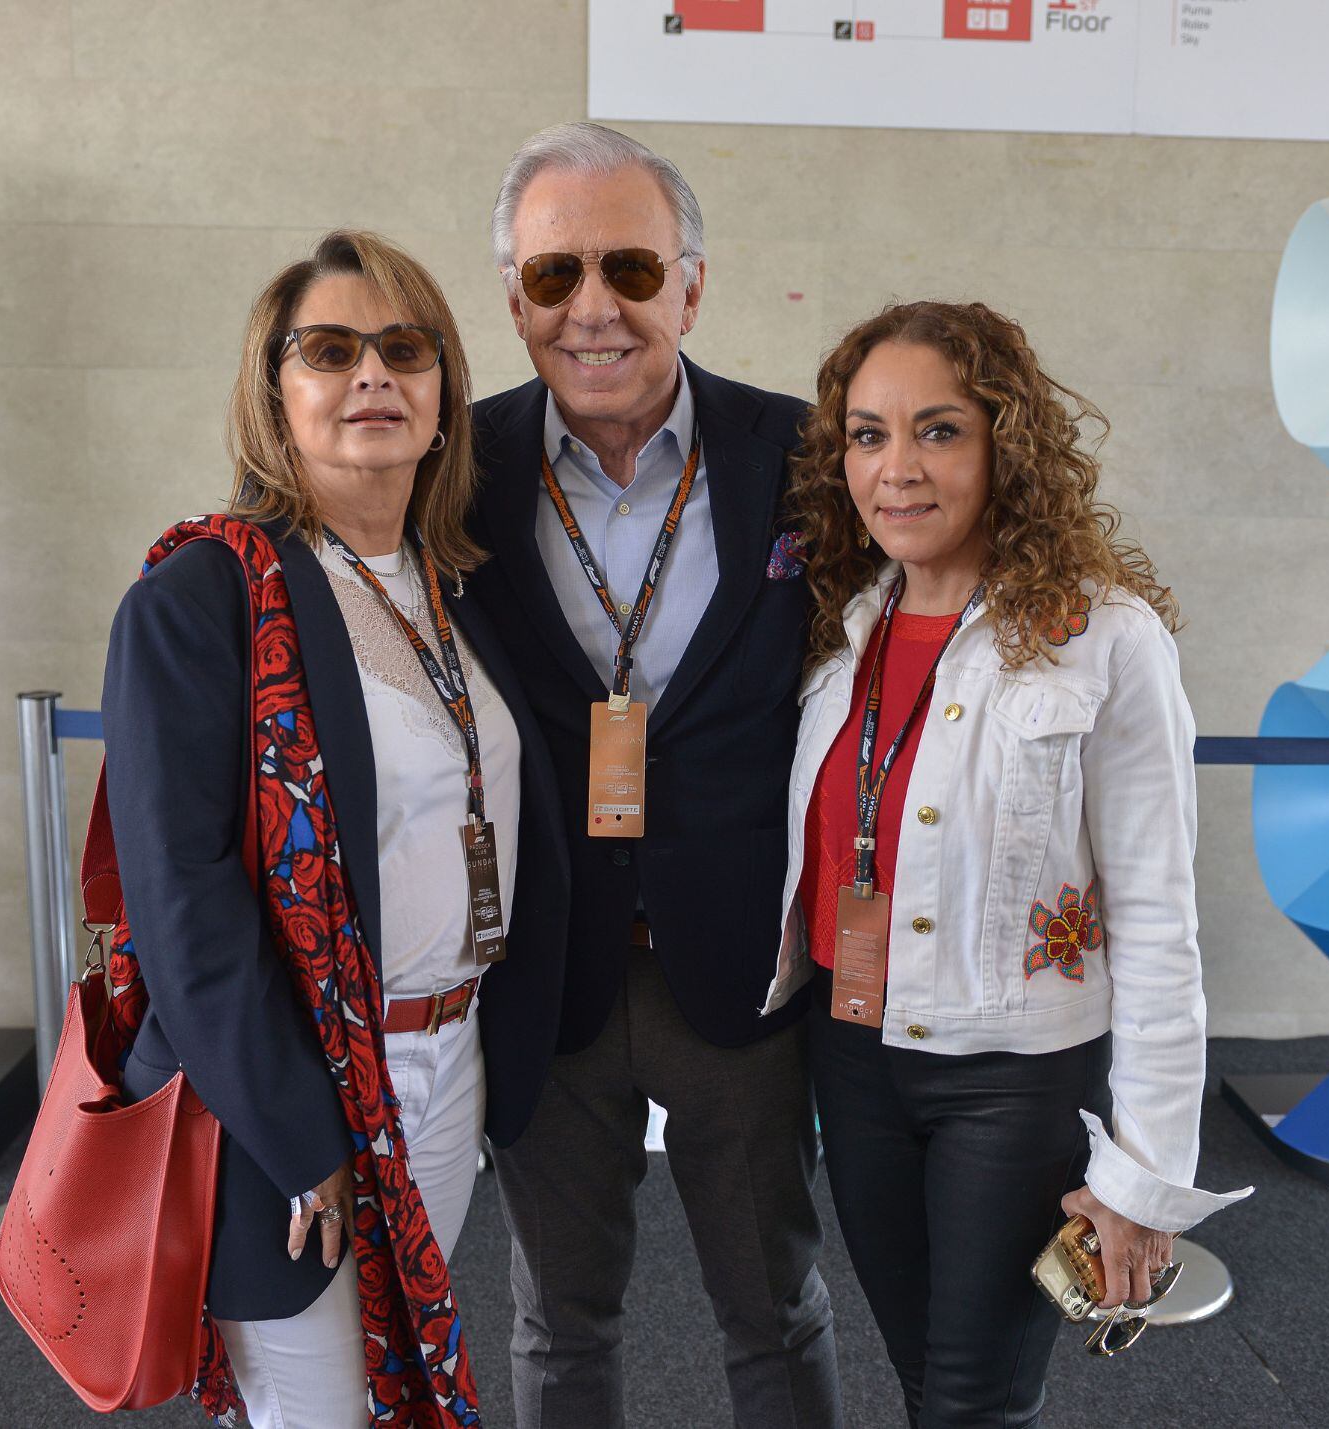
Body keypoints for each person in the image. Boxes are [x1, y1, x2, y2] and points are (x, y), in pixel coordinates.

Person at [101, 229, 566, 1427]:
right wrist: (299, 1132)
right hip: (284, 1097)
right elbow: (183, 899)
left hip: (447, 1063)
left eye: (403, 348)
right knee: (312, 1410)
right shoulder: (200, 595)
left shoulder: (455, 585)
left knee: (381, 1394)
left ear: (444, 392)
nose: (372, 374)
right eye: (329, 349)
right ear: (275, 390)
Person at [763, 300, 1253, 1428]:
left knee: (976, 1400)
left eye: (938, 430)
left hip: (1012, 1078)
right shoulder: (842, 630)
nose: (897, 468)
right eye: (867, 434)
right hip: (850, 1058)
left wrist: (1143, 1179)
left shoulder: (1105, 636)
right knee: (925, 1377)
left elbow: (1159, 922)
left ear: (1005, 446)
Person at [463, 122, 842, 1428]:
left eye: (629, 266)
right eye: (554, 274)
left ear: (691, 282)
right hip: (544, 961)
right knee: (557, 1321)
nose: (594, 307)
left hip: (738, 962)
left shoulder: (807, 457)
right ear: (514, 298)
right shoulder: (449, 469)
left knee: (774, 1310)